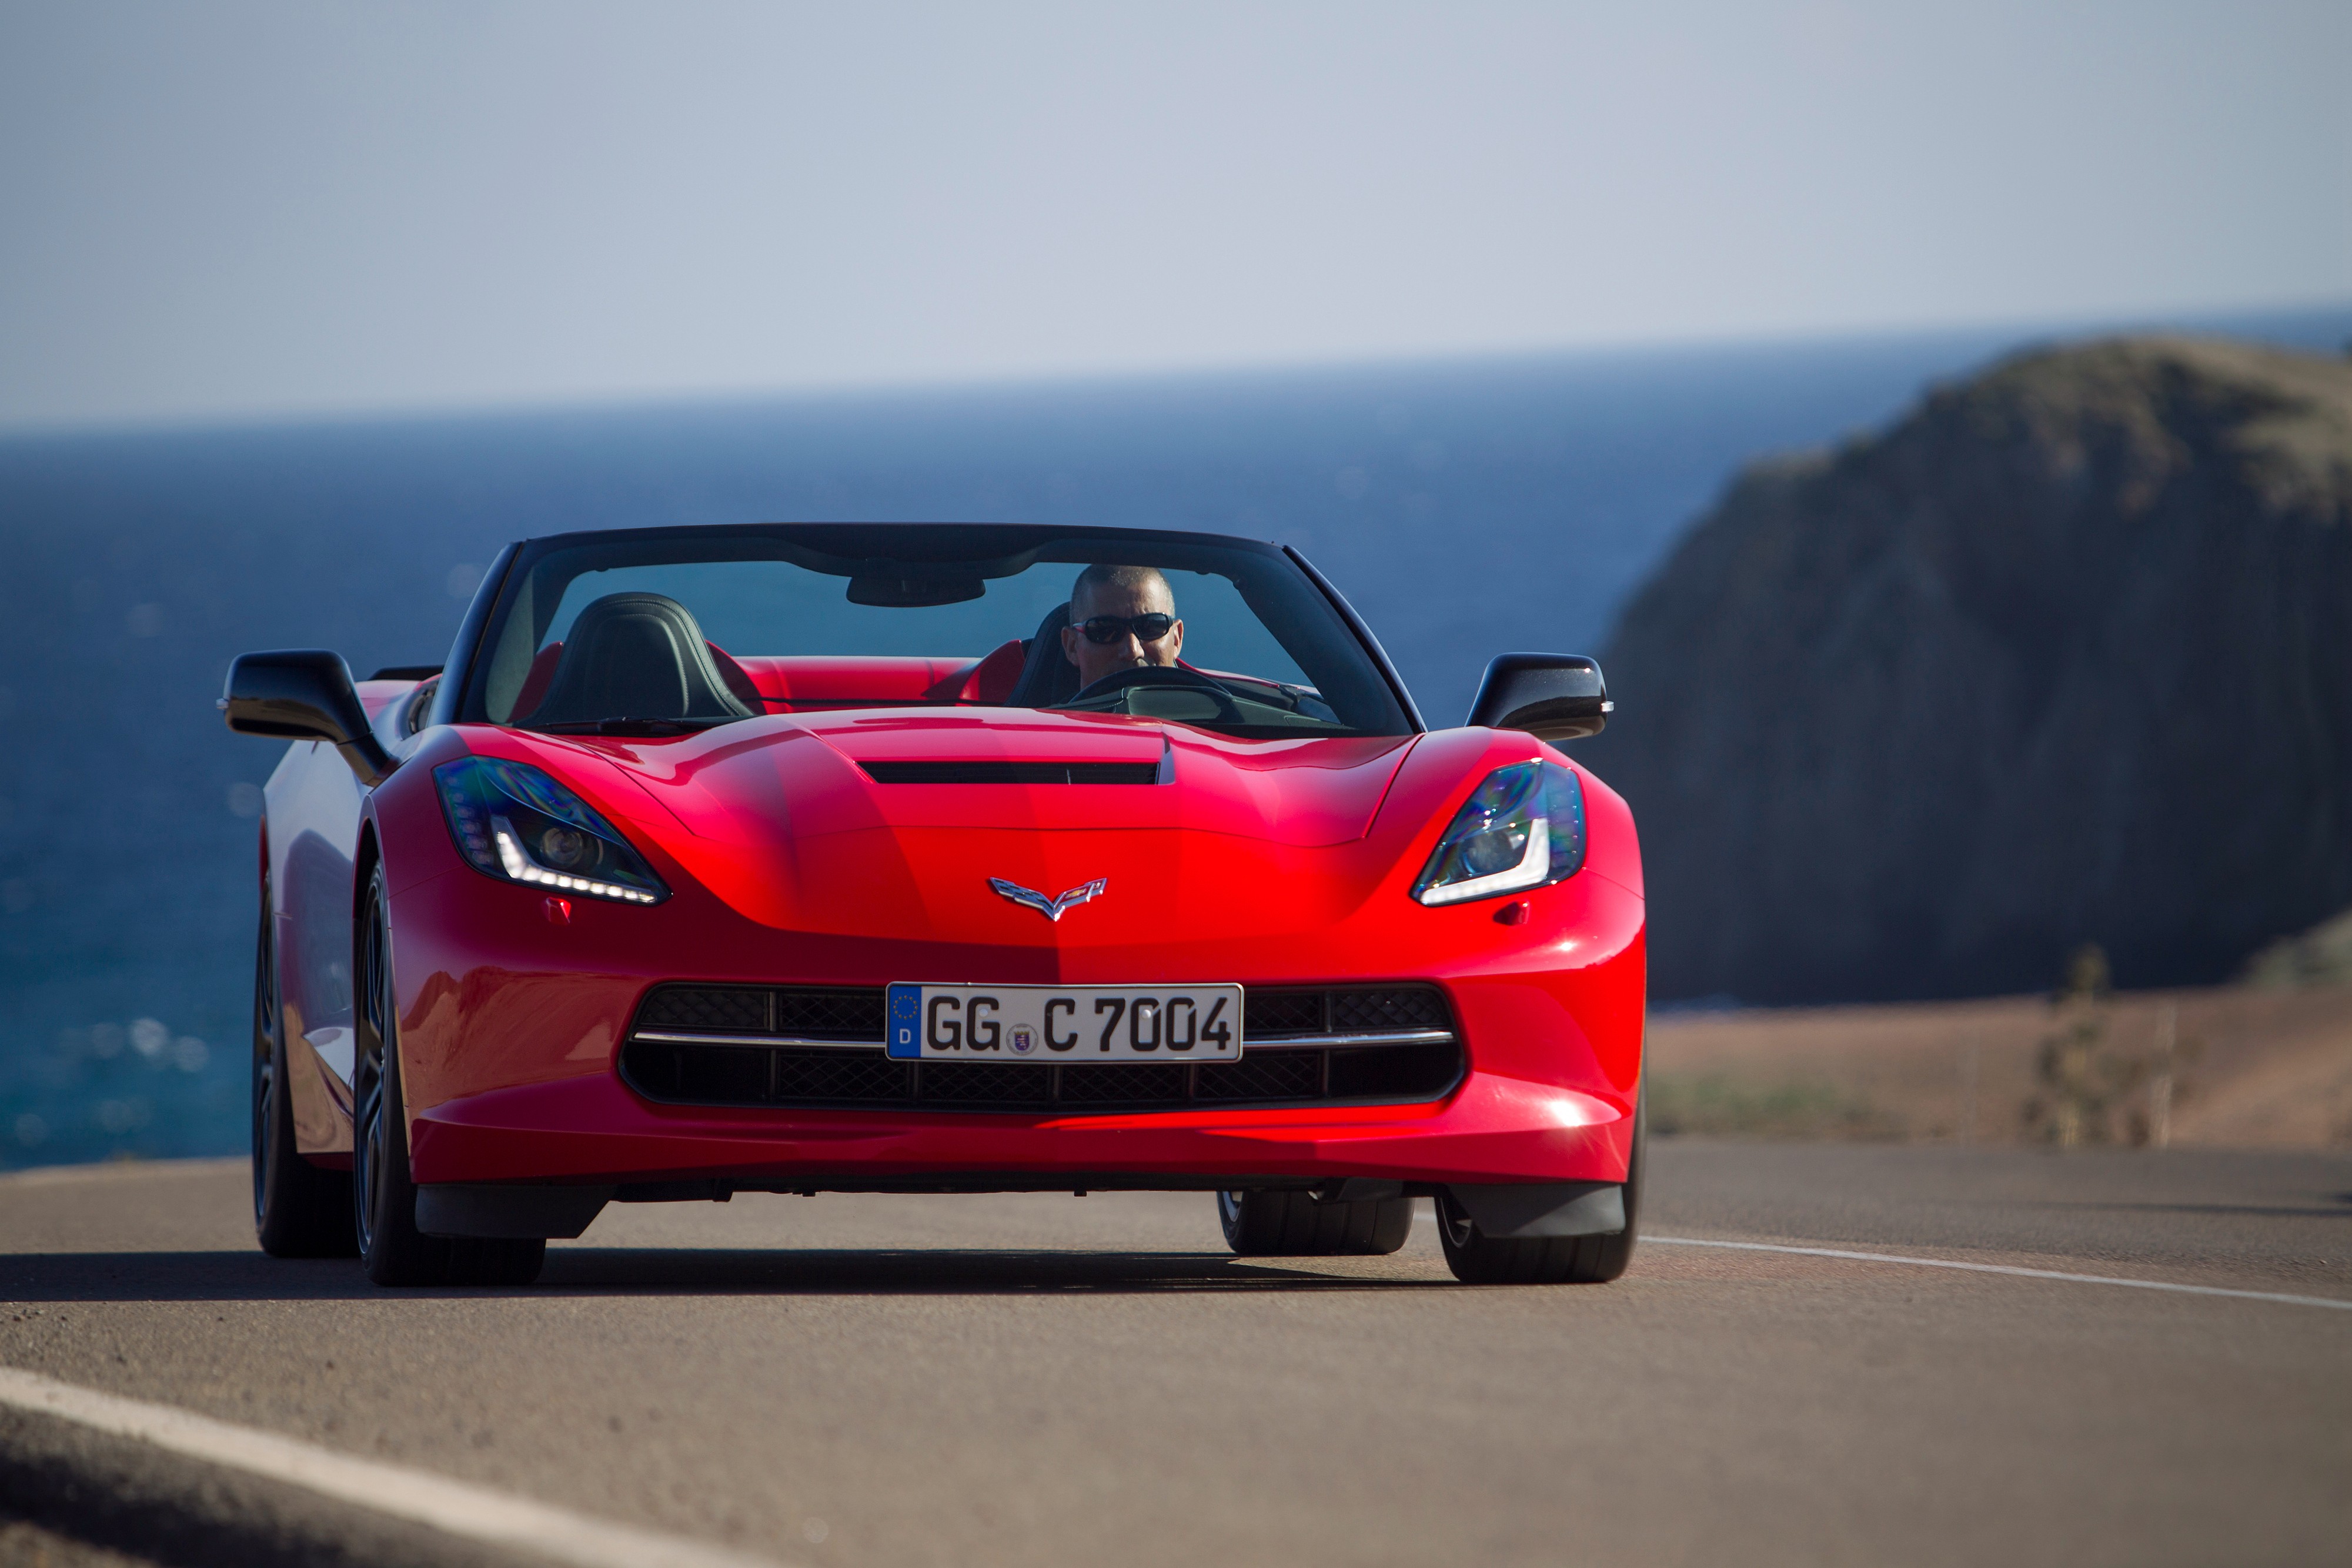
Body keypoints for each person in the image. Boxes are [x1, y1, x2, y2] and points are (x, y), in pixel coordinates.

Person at [1060, 563, 1185, 693]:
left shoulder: (1205, 710)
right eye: (1106, 630)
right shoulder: (1041, 714)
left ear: (1177, 639)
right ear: (1072, 646)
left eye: (1150, 627)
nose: (1133, 651)